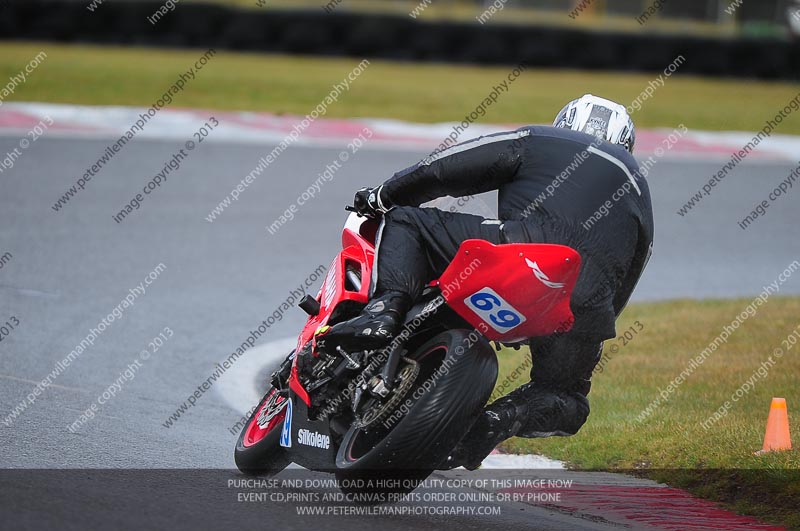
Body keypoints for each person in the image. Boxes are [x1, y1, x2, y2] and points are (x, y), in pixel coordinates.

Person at [322, 94, 654, 469]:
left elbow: (444, 169)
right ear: (626, 144)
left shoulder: (542, 138)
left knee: (405, 220)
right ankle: (496, 422)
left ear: (563, 123)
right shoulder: (641, 191)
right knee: (568, 398)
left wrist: (384, 195)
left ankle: (383, 311)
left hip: (520, 249)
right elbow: (629, 275)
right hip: (584, 300)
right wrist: (580, 321)